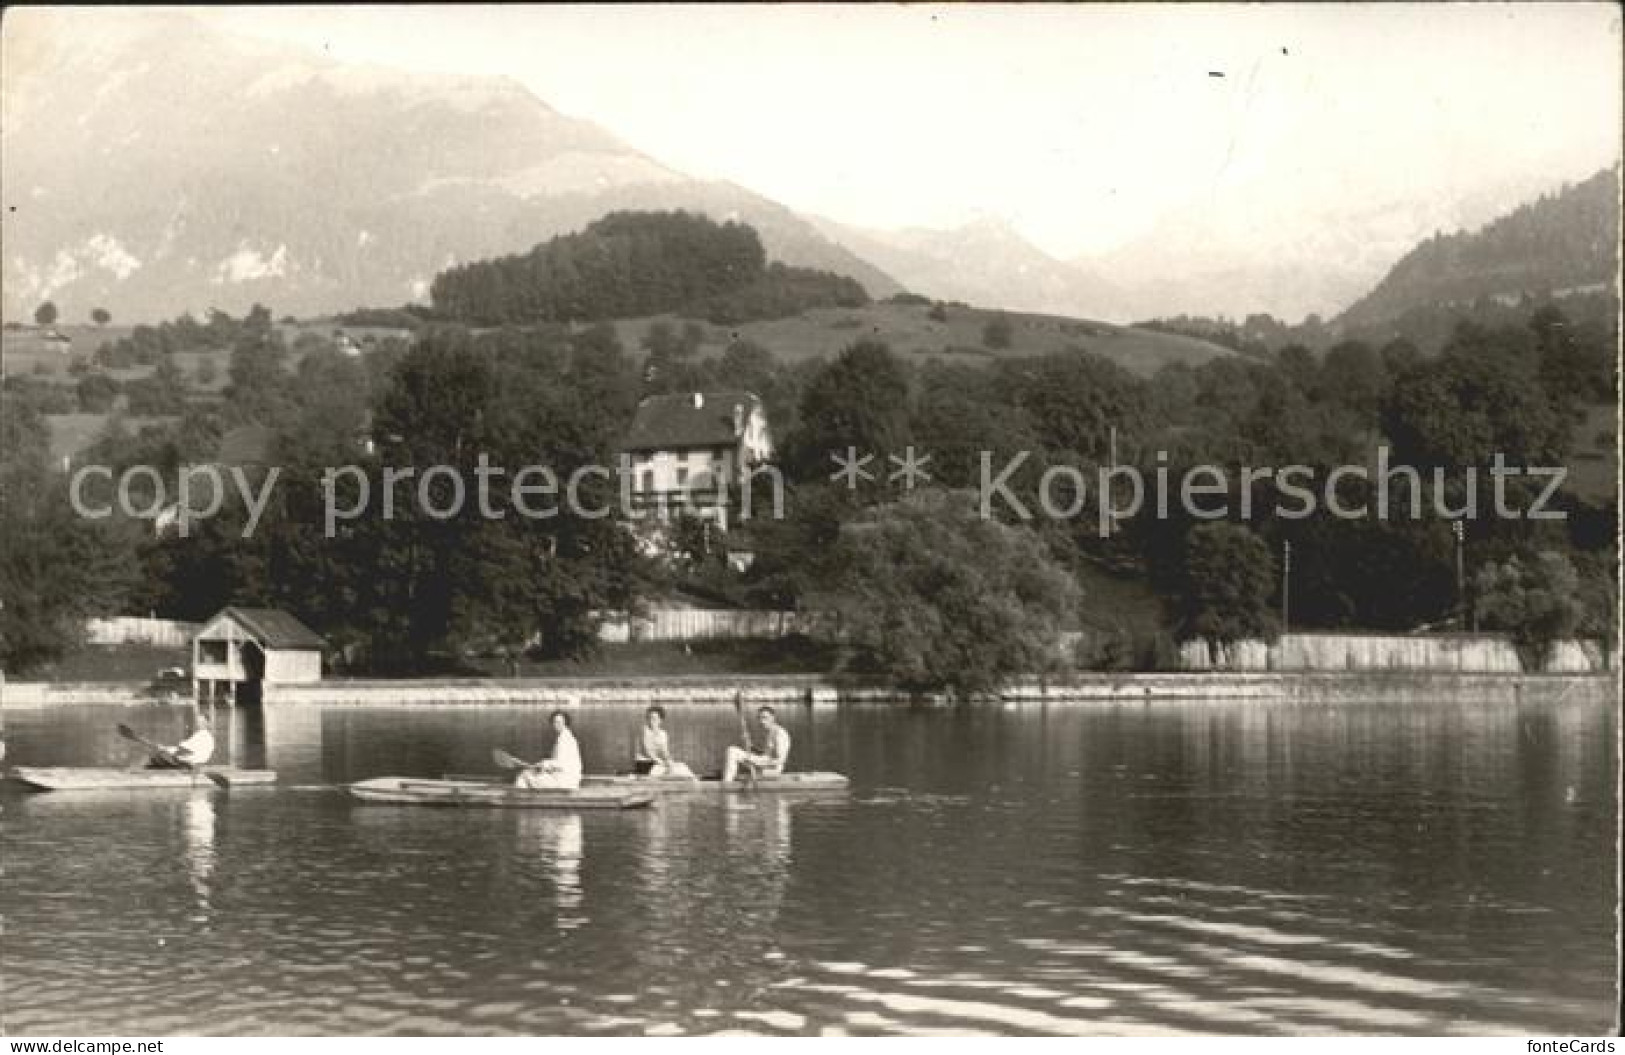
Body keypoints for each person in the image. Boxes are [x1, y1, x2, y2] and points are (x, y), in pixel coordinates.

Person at [722, 705, 791, 783]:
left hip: (772, 771)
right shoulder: (769, 732)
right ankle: (728, 780)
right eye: (759, 718)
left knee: (732, 751)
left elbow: (780, 760)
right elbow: (766, 755)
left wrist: (757, 763)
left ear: (773, 718)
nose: (761, 721)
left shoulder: (779, 734)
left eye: (765, 718)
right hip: (764, 765)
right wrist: (751, 747)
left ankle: (726, 784)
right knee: (733, 754)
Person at [516, 710, 583, 790]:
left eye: (560, 722)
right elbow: (559, 764)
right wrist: (543, 766)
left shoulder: (565, 740)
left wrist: (544, 764)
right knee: (531, 773)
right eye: (555, 722)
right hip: (568, 779)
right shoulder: (566, 737)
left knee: (524, 775)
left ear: (566, 723)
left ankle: (521, 800)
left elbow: (560, 764)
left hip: (565, 782)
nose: (556, 725)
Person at [633, 705, 694, 778]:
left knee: (682, 766)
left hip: (655, 764)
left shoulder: (663, 734)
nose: (651, 721)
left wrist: (669, 762)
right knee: (671, 769)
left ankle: (695, 781)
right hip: (643, 764)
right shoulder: (644, 731)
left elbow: (665, 752)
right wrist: (661, 762)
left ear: (660, 720)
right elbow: (648, 752)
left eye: (654, 718)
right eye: (649, 718)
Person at [148, 707, 216, 769]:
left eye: (201, 721)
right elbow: (183, 749)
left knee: (157, 757)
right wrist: (166, 749)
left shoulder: (201, 736)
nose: (198, 723)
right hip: (193, 763)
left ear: (207, 723)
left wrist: (165, 749)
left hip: (190, 765)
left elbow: (182, 750)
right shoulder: (207, 736)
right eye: (198, 721)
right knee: (160, 758)